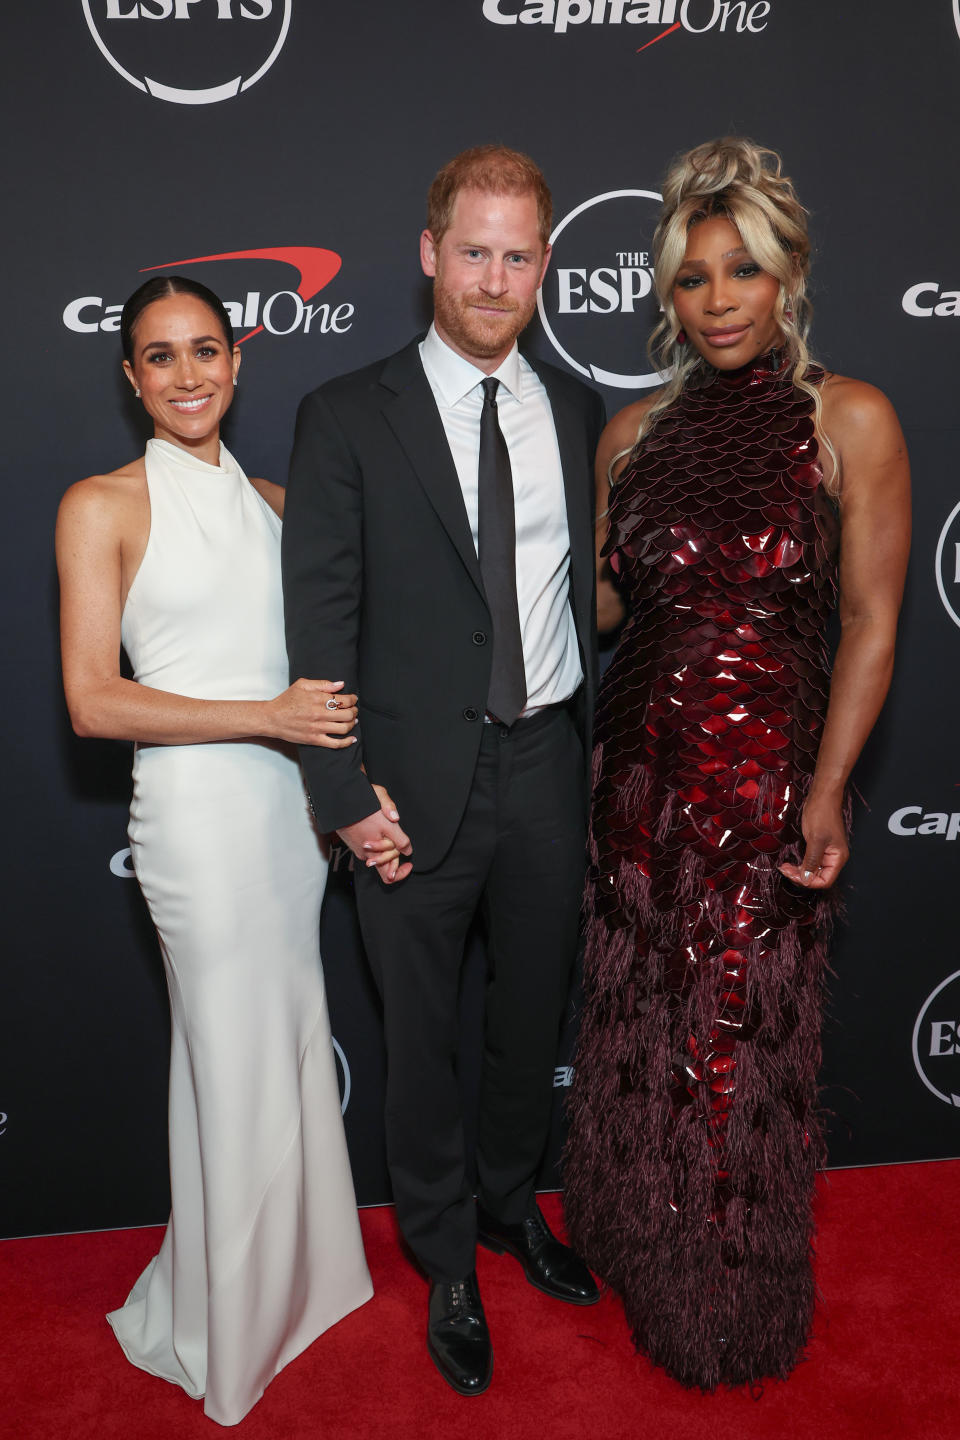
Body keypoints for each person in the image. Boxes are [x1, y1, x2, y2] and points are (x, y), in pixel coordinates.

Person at [563, 137, 910, 1390]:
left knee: (733, 1048)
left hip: (762, 785)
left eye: (742, 273)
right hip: (634, 776)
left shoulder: (849, 418)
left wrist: (826, 790)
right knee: (638, 1024)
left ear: (788, 278)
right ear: (667, 293)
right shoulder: (630, 433)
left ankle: (722, 1313)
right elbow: (601, 615)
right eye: (693, 278)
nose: (717, 301)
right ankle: (627, 1234)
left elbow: (871, 618)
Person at [282, 144, 605, 1396]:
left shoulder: (572, 407)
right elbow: (318, 625)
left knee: (531, 1018)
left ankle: (513, 1205)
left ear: (544, 266)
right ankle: (445, 1258)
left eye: (519, 254)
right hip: (408, 790)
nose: (494, 276)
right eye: (472, 250)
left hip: (547, 764)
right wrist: (344, 796)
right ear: (428, 254)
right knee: (420, 1040)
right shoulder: (345, 415)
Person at [55, 276, 373, 1427]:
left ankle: (306, 1280)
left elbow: (330, 679)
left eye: (206, 351)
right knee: (230, 1064)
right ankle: (223, 1327)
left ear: (239, 364)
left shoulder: (287, 505)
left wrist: (340, 774)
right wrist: (266, 718)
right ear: (130, 375)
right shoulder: (102, 505)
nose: (187, 375)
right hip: (196, 823)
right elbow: (94, 701)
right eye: (159, 356)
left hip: (290, 826)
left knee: (285, 1046)